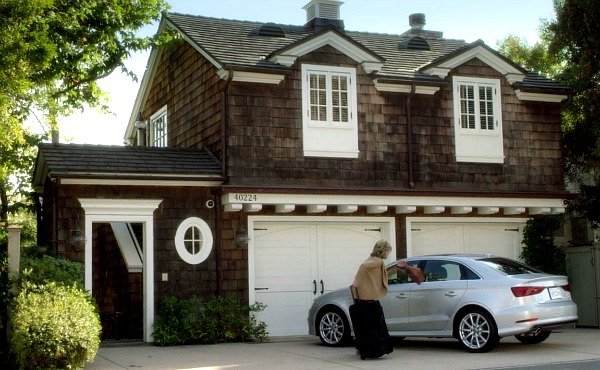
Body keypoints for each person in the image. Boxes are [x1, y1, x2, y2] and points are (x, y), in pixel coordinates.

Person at [350, 240, 423, 359]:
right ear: (383, 251)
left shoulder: (374, 260)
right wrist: (356, 280)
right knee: (375, 327)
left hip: (364, 300)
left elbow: (383, 275)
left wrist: (396, 268)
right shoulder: (377, 262)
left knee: (366, 327)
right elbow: (364, 267)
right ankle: (372, 351)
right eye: (388, 251)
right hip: (369, 300)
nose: (388, 254)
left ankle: (364, 350)